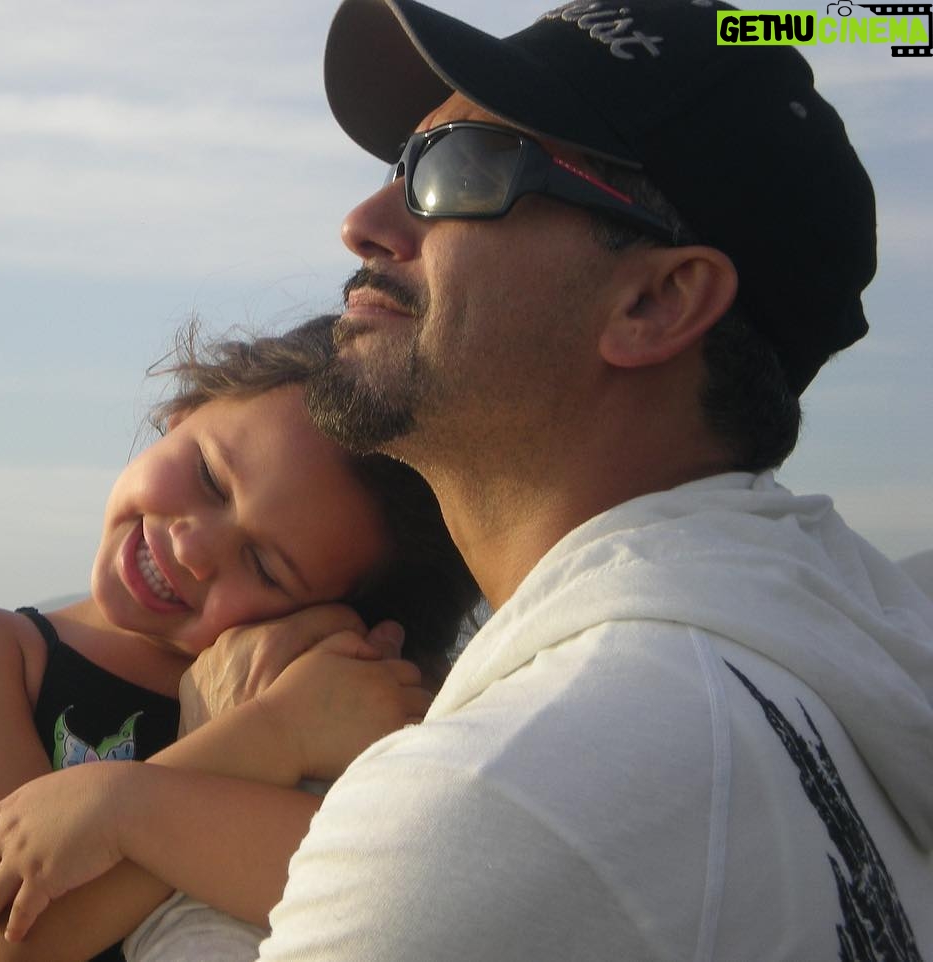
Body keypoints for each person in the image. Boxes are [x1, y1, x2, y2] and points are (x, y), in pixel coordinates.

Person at [253, 1, 933, 959]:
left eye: (459, 168)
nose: (362, 224)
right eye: (400, 165)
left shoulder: (504, 796)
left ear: (657, 301)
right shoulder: (832, 665)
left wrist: (162, 791)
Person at [0, 315, 478, 962]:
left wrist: (129, 808)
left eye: (264, 567)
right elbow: (14, 928)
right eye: (210, 476)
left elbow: (381, 889)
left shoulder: (343, 708)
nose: (193, 548)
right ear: (184, 410)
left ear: (332, 617)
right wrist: (268, 737)